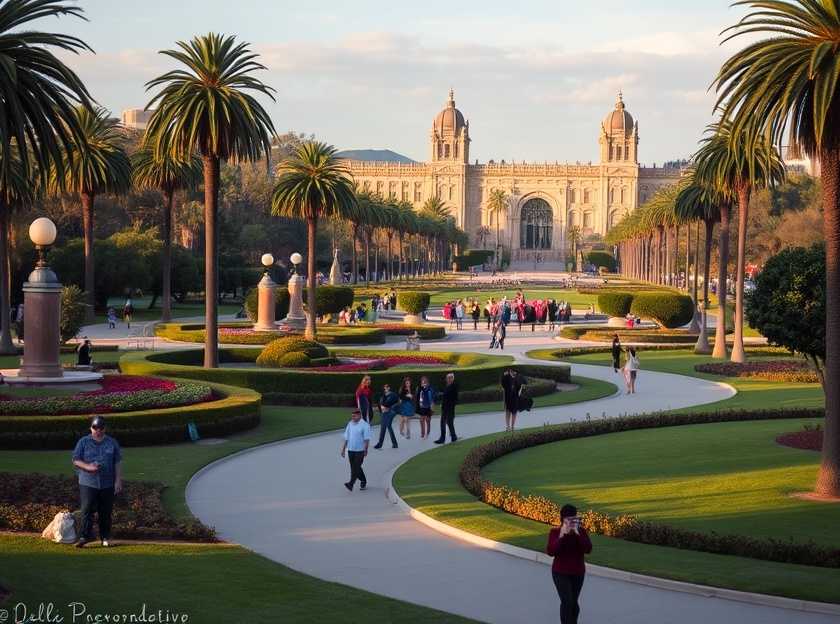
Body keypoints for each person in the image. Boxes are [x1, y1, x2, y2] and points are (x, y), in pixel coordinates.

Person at [72, 416, 123, 547]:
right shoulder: (83, 442)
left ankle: (105, 537)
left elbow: (117, 462)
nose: (98, 430)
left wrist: (118, 481)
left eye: (100, 428)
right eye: (95, 428)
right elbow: (76, 460)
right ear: (91, 428)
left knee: (105, 511)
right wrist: (88, 467)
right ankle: (84, 537)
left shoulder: (112, 443)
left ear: (104, 429)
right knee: (87, 510)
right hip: (88, 482)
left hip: (107, 483)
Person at [546, 504, 592, 624]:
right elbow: (551, 551)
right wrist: (562, 536)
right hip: (560, 572)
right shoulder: (555, 532)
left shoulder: (581, 532)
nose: (572, 523)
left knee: (574, 602)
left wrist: (577, 534)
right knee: (567, 601)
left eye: (574, 519)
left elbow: (588, 549)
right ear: (563, 520)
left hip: (577, 572)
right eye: (569, 520)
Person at [340, 409, 371, 491]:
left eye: (354, 416)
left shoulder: (365, 425)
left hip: (360, 450)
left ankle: (351, 483)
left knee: (356, 468)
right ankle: (363, 480)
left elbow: (366, 439)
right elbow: (346, 437)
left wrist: (366, 450)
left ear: (360, 415)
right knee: (355, 467)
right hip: (350, 450)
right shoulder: (350, 424)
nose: (353, 417)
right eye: (352, 416)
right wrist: (343, 449)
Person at [434, 373, 458, 444]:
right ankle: (450, 437)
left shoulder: (453, 387)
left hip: (449, 408)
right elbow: (445, 396)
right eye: (447, 378)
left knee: (447, 422)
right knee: (446, 423)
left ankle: (446, 438)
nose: (448, 379)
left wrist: (449, 405)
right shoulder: (447, 386)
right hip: (445, 407)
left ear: (452, 379)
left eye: (449, 378)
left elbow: (454, 398)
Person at [373, 383, 399, 449]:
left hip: (390, 412)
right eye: (384, 387)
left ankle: (380, 444)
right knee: (388, 426)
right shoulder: (383, 395)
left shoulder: (393, 395)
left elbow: (390, 403)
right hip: (383, 412)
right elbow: (380, 403)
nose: (385, 388)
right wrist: (380, 408)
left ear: (389, 388)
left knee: (384, 427)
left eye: (387, 387)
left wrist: (387, 408)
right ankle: (394, 444)